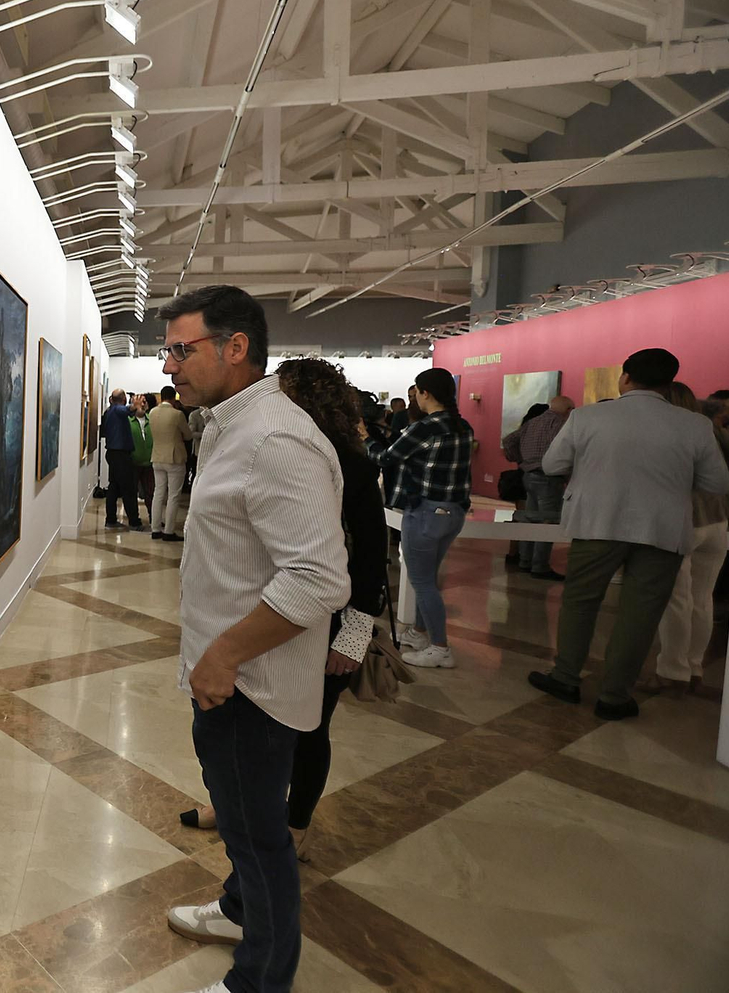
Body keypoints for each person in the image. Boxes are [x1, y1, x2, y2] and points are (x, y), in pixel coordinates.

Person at [157, 287, 350, 993]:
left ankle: (260, 979)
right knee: (240, 819)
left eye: (184, 348)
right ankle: (240, 910)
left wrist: (225, 652)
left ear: (236, 348)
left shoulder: (275, 436)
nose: (170, 363)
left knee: (259, 837)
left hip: (251, 684)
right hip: (231, 676)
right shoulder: (226, 425)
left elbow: (320, 577)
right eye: (170, 348)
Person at [179, 359, 388, 865]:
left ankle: (292, 825)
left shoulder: (339, 460)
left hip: (325, 618)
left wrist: (354, 634)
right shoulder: (258, 442)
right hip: (268, 613)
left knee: (308, 730)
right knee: (250, 744)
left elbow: (366, 555)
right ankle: (237, 810)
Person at [528, 349, 729, 720]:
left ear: (625, 377)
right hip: (663, 528)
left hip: (597, 523)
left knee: (580, 602)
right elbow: (717, 482)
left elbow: (552, 464)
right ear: (669, 384)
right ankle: (615, 696)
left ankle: (566, 677)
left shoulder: (588, 416)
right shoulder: (694, 425)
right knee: (641, 613)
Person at [365, 368, 473, 669]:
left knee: (422, 581)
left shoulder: (425, 428)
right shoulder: (462, 426)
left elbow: (385, 457)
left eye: (416, 392)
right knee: (429, 578)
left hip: (425, 512)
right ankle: (421, 632)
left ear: (424, 393)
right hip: (453, 512)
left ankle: (440, 648)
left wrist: (363, 438)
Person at [644, 388, 729, 695]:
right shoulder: (709, 428)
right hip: (717, 519)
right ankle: (694, 666)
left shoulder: (667, 429)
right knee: (702, 598)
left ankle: (672, 671)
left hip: (682, 520)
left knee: (676, 600)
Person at [503, 396, 575, 580]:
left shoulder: (533, 422)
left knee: (530, 519)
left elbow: (509, 440)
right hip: (549, 478)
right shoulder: (560, 424)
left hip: (528, 475)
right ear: (567, 409)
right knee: (547, 522)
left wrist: (519, 459)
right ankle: (540, 565)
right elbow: (563, 451)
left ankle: (525, 561)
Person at [148, 385, 192, 541]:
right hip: (174, 458)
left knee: (158, 494)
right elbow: (187, 435)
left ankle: (155, 529)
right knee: (173, 496)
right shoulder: (177, 414)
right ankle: (168, 531)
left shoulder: (152, 413)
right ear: (174, 398)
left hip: (157, 456)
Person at [100, 388, 144, 530]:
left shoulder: (110, 411)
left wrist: (134, 407)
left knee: (114, 487)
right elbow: (127, 410)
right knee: (128, 488)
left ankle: (111, 520)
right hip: (120, 455)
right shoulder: (117, 410)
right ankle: (134, 522)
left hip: (113, 453)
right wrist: (135, 405)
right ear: (124, 399)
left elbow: (128, 411)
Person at [129, 394, 155, 525]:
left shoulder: (152, 420)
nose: (142, 405)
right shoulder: (128, 421)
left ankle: (153, 518)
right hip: (133, 462)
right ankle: (134, 519)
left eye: (144, 402)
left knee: (151, 492)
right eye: (139, 403)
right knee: (132, 492)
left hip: (150, 462)